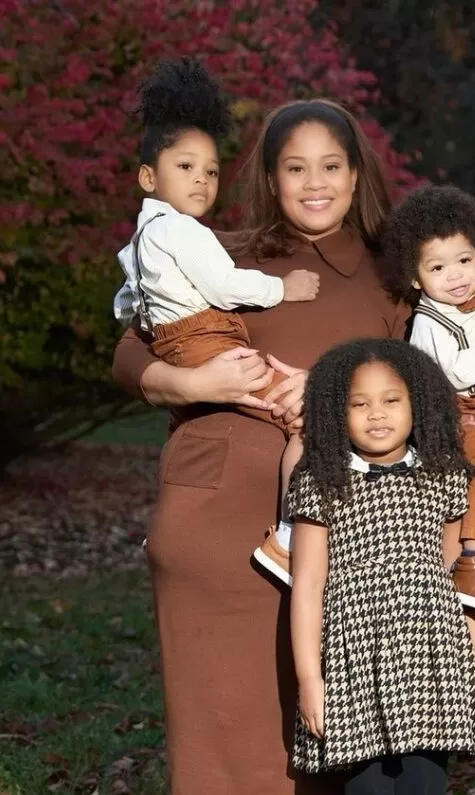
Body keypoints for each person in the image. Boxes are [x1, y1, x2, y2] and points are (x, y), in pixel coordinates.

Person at [111, 98, 406, 795]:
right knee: (222, 730)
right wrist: (193, 380)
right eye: (295, 167)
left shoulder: (394, 270)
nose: (314, 182)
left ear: (356, 174)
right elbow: (129, 353)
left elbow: (431, 390)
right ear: (270, 179)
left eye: (331, 166)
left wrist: (335, 394)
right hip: (216, 521)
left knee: (329, 730)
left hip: (348, 533)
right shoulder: (216, 251)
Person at [114, 58, 320, 566]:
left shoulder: (144, 235)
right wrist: (283, 288)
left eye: (210, 171)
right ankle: (291, 536)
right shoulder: (182, 230)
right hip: (204, 337)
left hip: (178, 341)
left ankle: (169, 514)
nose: (202, 181)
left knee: (185, 423)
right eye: (185, 168)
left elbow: (128, 300)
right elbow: (224, 286)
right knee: (304, 419)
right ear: (148, 176)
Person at [289, 338, 475, 794]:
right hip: (354, 658)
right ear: (335, 414)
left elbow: (451, 574)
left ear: (417, 404)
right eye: (359, 404)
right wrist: (309, 677)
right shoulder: (322, 481)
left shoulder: (443, 475)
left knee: (425, 782)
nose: (376, 414)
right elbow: (307, 583)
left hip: (430, 656)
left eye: (391, 400)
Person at [379, 184, 475, 714]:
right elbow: (462, 371)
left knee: (461, 594)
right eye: (438, 268)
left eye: (464, 259)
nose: (457, 274)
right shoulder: (429, 322)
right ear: (417, 279)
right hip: (457, 419)